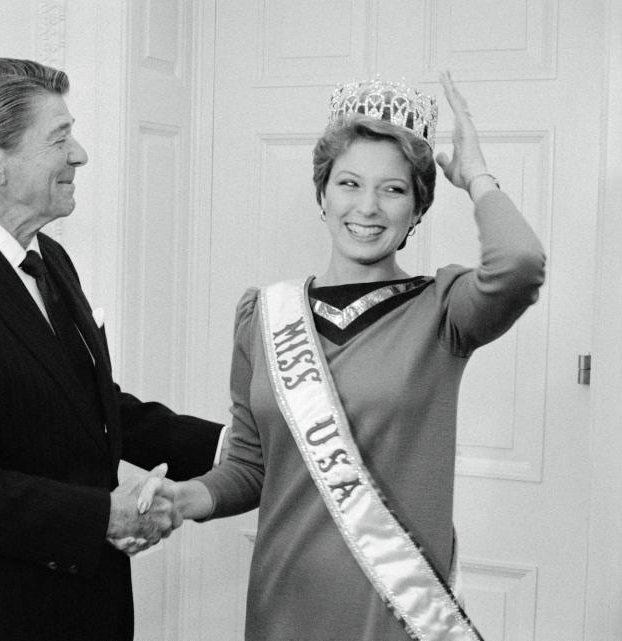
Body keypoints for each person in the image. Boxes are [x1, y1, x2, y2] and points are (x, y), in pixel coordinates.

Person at [137, 72, 545, 640]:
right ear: (322, 194)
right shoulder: (264, 314)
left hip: (394, 609)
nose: (368, 207)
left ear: (418, 208)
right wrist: (184, 499)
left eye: (394, 189)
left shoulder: (444, 311)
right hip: (284, 600)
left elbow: (521, 265)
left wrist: (475, 176)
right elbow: (252, 468)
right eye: (349, 183)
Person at [0, 57, 224, 641]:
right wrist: (102, 516)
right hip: (0, 617)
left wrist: (229, 446)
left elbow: (90, 408)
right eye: (60, 138)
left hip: (89, 606)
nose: (79, 154)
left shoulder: (49, 259)